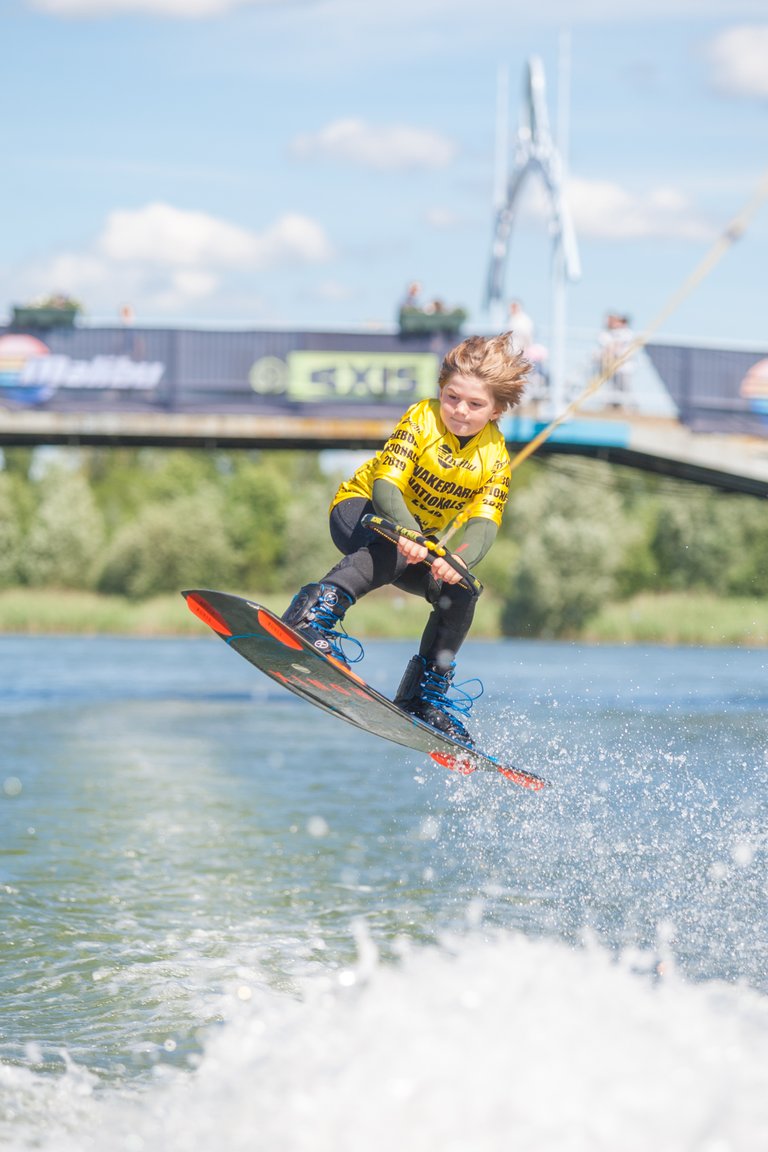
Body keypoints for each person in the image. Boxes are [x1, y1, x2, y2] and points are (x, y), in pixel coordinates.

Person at [281, 332, 529, 747]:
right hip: (359, 511)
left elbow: (484, 523)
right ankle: (310, 617)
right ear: (440, 391)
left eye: (475, 404)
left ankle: (423, 695)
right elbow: (386, 489)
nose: (460, 411)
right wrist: (409, 534)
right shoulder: (422, 418)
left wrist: (459, 561)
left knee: (462, 591)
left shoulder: (496, 457)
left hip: (417, 540)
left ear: (497, 410)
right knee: (395, 544)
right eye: (452, 397)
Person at [596, 312, 635, 404]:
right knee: (611, 388)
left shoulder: (627, 333)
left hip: (624, 366)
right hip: (611, 366)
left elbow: (615, 347)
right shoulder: (607, 333)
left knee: (624, 388)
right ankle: (611, 406)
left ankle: (630, 406)